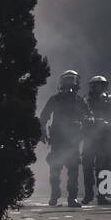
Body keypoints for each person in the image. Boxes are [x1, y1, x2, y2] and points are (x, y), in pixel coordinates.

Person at [39, 70, 89, 208]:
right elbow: (44, 116)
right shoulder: (55, 99)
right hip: (58, 139)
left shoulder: (79, 100)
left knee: (73, 170)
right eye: (68, 80)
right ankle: (55, 194)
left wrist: (87, 122)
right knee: (55, 168)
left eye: (72, 80)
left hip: (73, 140)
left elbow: (89, 116)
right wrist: (42, 131)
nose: (70, 84)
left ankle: (72, 198)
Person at [81, 75, 111, 206]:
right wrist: (91, 122)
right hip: (90, 139)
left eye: (102, 85)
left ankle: (103, 195)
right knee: (87, 168)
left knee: (104, 168)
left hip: (104, 140)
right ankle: (88, 195)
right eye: (98, 85)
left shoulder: (108, 104)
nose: (101, 88)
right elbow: (81, 117)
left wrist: (105, 123)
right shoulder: (86, 102)